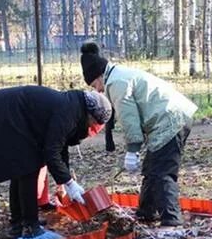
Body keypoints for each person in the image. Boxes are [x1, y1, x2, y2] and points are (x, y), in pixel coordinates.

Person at [0, 85, 112, 239]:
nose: (91, 127)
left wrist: (65, 178)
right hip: (3, 114)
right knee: (28, 167)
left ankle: (19, 224)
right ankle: (30, 228)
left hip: (9, 114)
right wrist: (69, 183)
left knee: (21, 168)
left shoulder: (74, 107)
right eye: (93, 123)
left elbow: (60, 145)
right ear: (90, 115)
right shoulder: (69, 112)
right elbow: (51, 151)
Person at [80, 42, 197, 227]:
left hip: (170, 119)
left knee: (162, 172)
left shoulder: (117, 83)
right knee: (151, 168)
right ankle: (146, 212)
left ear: (100, 76)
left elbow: (129, 118)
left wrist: (132, 150)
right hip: (169, 117)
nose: (98, 91)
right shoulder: (117, 75)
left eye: (96, 85)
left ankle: (172, 222)